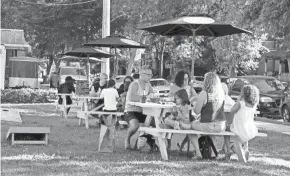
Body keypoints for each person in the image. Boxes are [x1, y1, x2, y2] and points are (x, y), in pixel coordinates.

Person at [184, 72, 226, 159]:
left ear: (206, 81)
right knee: (208, 130)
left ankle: (198, 152)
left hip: (209, 125)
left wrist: (194, 103)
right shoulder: (221, 93)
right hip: (221, 125)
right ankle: (213, 152)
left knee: (189, 126)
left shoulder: (204, 93)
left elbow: (197, 112)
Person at [224, 85, 259, 161]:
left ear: (243, 94)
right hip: (249, 129)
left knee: (226, 129)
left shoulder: (240, 104)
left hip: (238, 128)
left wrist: (238, 100)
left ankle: (229, 149)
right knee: (243, 135)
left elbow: (232, 110)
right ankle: (246, 149)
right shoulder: (253, 105)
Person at [124, 66, 155, 149]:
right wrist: (145, 98)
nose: (150, 76)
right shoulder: (134, 84)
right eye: (148, 74)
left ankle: (149, 144)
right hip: (131, 111)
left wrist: (151, 96)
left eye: (151, 75)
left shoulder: (148, 85)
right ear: (141, 74)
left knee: (156, 124)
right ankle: (127, 140)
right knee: (134, 126)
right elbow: (132, 97)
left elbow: (152, 95)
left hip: (144, 111)